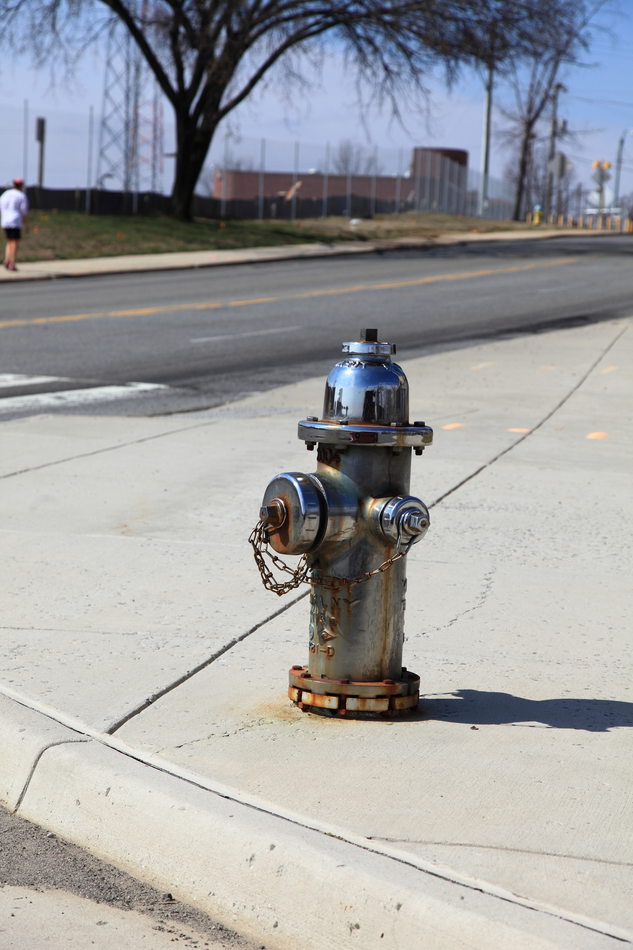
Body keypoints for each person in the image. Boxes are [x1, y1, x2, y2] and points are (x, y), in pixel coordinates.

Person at [1, 177, 29, 272]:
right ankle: (11, 263)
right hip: (15, 220)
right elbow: (24, 211)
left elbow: (1, 207)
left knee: (9, 241)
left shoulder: (6, 194)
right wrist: (26, 224)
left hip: (5, 220)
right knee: (14, 242)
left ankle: (6, 259)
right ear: (21, 185)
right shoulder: (21, 196)